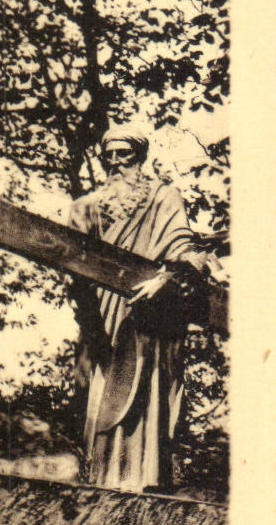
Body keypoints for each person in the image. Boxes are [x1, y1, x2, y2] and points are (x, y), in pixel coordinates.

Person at [68, 123, 217, 492]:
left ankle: (144, 481)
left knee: (147, 401)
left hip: (150, 321)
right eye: (110, 156)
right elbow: (74, 268)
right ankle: (103, 482)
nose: (117, 163)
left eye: (125, 155)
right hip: (103, 323)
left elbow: (190, 254)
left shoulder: (164, 198)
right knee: (103, 401)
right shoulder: (84, 208)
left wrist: (166, 279)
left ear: (140, 157)